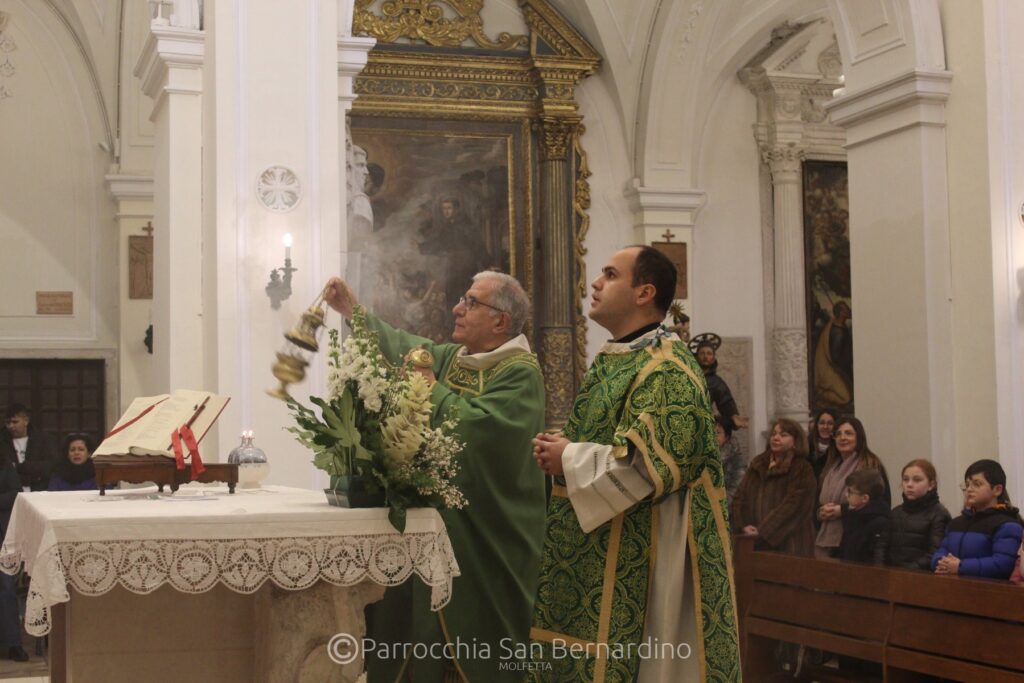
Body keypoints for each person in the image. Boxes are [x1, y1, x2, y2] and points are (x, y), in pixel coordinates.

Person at [530, 246, 740, 682]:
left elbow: (650, 466)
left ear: (645, 292)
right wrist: (567, 446)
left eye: (610, 274)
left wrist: (568, 456)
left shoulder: (668, 367)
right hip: (606, 536)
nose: (595, 282)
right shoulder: (621, 357)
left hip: (654, 546)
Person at [324, 270, 546, 683]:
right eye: (463, 298)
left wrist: (431, 389)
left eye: (471, 302)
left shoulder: (519, 373)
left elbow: (482, 433)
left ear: (501, 321)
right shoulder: (452, 359)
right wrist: (353, 312)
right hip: (435, 529)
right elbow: (405, 349)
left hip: (487, 536)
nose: (457, 308)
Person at [731, 418, 817, 557]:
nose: (776, 438)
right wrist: (743, 525)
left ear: (796, 442)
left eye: (783, 435)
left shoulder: (802, 468)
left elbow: (794, 506)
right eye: (774, 434)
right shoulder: (757, 464)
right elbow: (739, 497)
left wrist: (763, 531)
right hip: (752, 543)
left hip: (790, 545)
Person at [932, 459, 1023, 580]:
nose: (969, 489)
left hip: (988, 593)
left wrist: (961, 566)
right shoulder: (956, 523)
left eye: (977, 484)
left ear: (997, 490)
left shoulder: (1008, 524)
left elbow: (1002, 564)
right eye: (967, 484)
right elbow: (941, 551)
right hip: (952, 589)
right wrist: (941, 563)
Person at [815, 416, 890, 559]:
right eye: (838, 434)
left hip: (858, 542)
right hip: (826, 542)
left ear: (859, 437)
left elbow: (881, 507)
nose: (843, 437)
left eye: (849, 433)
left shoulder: (871, 465)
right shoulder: (831, 467)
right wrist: (821, 512)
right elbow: (818, 501)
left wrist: (842, 510)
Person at [886, 459, 950, 570]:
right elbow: (882, 546)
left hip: (921, 577)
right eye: (905, 480)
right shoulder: (895, 512)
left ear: (931, 485)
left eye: (917, 480)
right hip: (892, 575)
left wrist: (906, 571)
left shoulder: (939, 514)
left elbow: (934, 553)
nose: (909, 485)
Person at [0, 450, 27, 661]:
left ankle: (13, 643)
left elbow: (15, 493)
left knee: (6, 589)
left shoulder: (5, 465)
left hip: (3, 537)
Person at [689, 333, 747, 430]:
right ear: (696, 356)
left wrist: (733, 417)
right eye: (702, 353)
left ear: (713, 358)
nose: (705, 356)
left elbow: (726, 402)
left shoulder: (716, 383)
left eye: (709, 353)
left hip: (700, 426)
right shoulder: (687, 375)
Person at [836, 469, 890, 564]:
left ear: (865, 498)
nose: (846, 495)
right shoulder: (853, 515)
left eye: (850, 492)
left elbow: (876, 555)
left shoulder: (879, 522)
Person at [1, 404, 56, 492]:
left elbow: (49, 466)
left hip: (39, 489)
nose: (11, 426)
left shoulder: (42, 440)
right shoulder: (2, 442)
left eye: (15, 422)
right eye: (8, 423)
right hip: (12, 492)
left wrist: (20, 467)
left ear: (26, 421)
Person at [716, 414, 745, 505]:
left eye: (717, 433)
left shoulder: (736, 460)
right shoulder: (699, 457)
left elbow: (737, 490)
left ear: (727, 437)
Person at [808, 408, 839, 483]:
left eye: (830, 423)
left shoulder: (840, 450)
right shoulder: (807, 448)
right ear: (816, 425)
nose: (825, 427)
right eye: (822, 423)